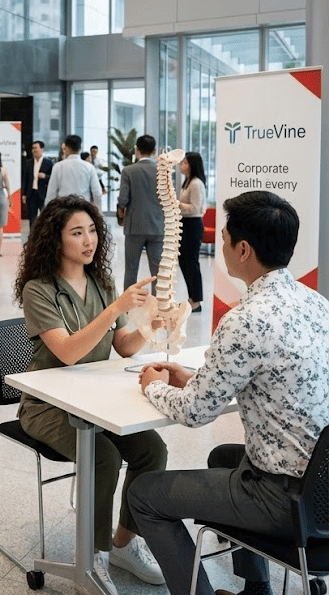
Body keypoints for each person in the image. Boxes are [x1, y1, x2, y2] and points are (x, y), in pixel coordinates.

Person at [128, 191, 329, 595]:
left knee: (144, 495)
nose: (219, 244)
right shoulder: (317, 303)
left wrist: (154, 386)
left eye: (223, 237)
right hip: (322, 485)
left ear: (243, 249)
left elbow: (195, 413)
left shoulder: (244, 320)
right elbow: (272, 375)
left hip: (283, 498)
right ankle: (257, 589)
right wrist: (197, 376)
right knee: (223, 457)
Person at [14, 195, 168, 595]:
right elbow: (67, 353)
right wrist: (116, 305)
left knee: (153, 450)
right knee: (103, 456)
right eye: (77, 232)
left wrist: (150, 325)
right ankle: (92, 557)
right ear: (55, 239)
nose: (89, 240)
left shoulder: (100, 282)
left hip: (94, 401)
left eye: (93, 231)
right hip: (48, 404)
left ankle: (123, 542)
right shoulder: (38, 289)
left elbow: (124, 345)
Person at [117, 134, 163, 290]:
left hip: (134, 227)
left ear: (137, 151)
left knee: (131, 270)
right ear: (154, 150)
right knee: (157, 272)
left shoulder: (128, 171)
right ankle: (158, 308)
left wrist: (121, 210)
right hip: (157, 226)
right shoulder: (162, 171)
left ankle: (127, 308)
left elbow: (123, 199)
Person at [178, 151, 207, 312]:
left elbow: (196, 208)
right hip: (185, 223)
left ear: (192, 165)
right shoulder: (187, 182)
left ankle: (196, 301)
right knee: (184, 262)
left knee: (192, 263)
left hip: (193, 224)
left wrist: (177, 204)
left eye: (185, 162)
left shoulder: (196, 184)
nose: (182, 165)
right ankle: (191, 297)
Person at [44, 134, 103, 208]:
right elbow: (97, 193)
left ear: (66, 148)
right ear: (80, 149)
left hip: (63, 210)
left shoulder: (58, 167)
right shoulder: (89, 167)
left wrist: (49, 212)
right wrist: (99, 212)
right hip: (83, 209)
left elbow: (51, 193)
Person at [22, 140, 53, 226]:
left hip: (43, 193)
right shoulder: (29, 163)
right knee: (32, 217)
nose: (34, 150)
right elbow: (25, 179)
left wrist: (45, 176)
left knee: (45, 216)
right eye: (33, 148)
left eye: (36, 148)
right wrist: (24, 194)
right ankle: (32, 237)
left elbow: (53, 178)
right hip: (31, 193)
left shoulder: (48, 163)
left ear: (42, 149)